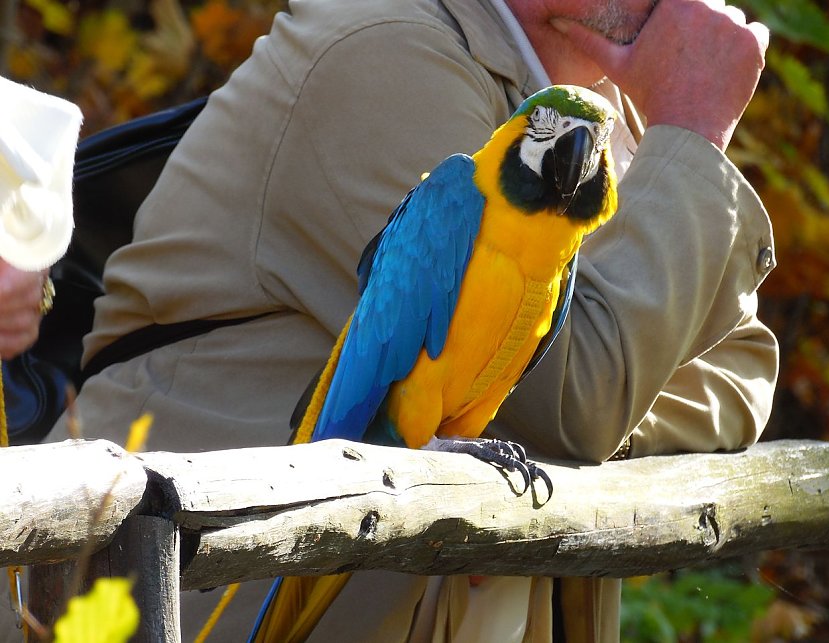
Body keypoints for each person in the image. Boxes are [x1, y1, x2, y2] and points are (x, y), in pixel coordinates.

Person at [31, 0, 777, 640]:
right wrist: (694, 132)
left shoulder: (596, 119)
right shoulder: (388, 50)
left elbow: (738, 380)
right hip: (182, 600)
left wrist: (601, 385)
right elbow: (570, 403)